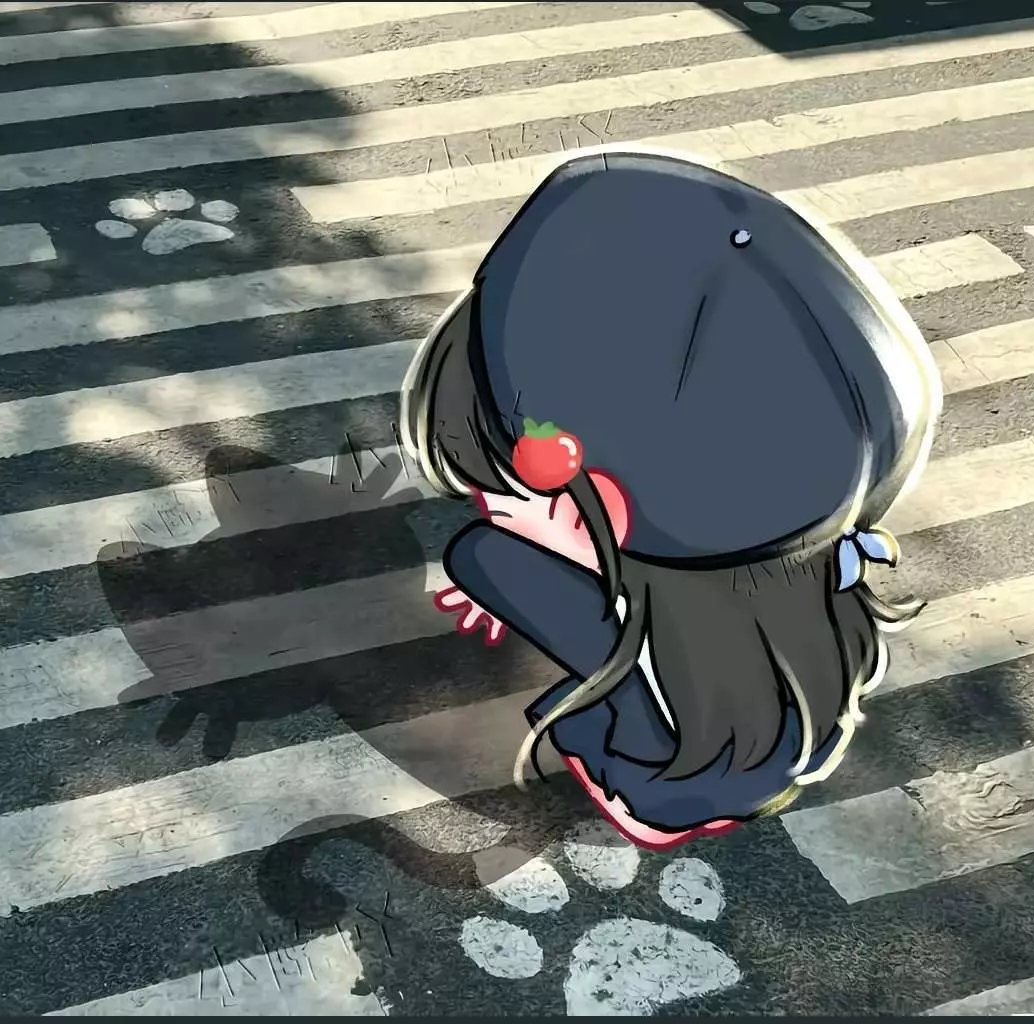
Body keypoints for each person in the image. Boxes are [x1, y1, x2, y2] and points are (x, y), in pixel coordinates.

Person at [400, 147, 942, 851]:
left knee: (508, 580)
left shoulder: (601, 614)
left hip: (664, 785)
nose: (490, 508)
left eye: (501, 487)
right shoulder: (811, 573)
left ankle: (642, 786)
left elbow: (483, 556)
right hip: (783, 740)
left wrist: (510, 564)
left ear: (595, 510)